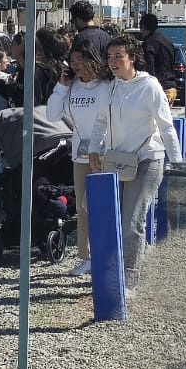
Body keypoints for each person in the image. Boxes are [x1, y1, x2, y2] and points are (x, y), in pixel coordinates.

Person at [93, 33, 177, 301]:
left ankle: (129, 277)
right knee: (116, 219)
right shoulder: (109, 87)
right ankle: (130, 261)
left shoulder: (149, 86)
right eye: (110, 57)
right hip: (118, 160)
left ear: (132, 58)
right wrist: (94, 149)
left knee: (132, 221)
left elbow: (166, 127)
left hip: (147, 159)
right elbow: (99, 124)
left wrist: (177, 164)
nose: (113, 61)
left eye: (119, 56)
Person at [47, 39, 112, 277]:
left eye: (80, 60)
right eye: (72, 61)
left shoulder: (105, 86)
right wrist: (62, 86)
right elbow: (53, 114)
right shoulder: (72, 86)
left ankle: (107, 254)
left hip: (104, 154)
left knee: (100, 206)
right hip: (80, 155)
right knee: (83, 209)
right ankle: (87, 256)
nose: (76, 66)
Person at [137, 12, 180, 87]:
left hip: (159, 86)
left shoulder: (149, 43)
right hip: (171, 85)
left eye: (140, 28)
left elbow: (149, 66)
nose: (140, 32)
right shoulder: (167, 40)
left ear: (143, 26)